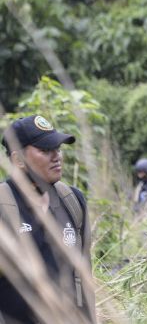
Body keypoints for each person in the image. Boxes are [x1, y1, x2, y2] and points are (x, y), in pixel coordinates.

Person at [0, 115, 96, 323]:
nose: (57, 157)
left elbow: (84, 276)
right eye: (45, 150)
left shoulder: (72, 201)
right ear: (18, 160)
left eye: (58, 149)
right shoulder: (3, 207)